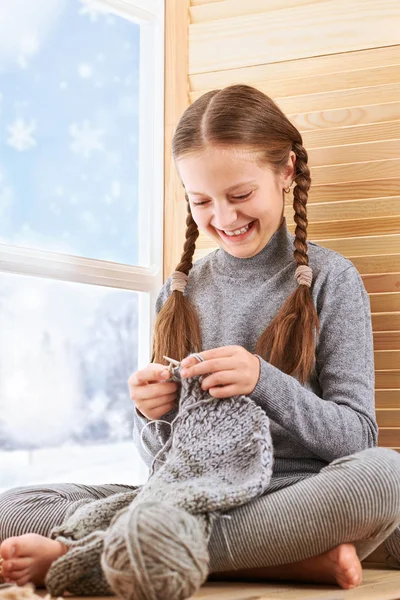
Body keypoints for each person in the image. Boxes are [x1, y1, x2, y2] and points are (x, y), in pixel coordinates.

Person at [0, 84, 400, 592]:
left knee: (385, 476)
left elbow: (356, 437)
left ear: (286, 172)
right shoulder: (179, 292)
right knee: (11, 508)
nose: (225, 218)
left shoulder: (331, 279)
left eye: (240, 195)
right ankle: (277, 561)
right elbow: (163, 463)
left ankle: (98, 554)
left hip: (293, 497)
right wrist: (154, 413)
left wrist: (262, 380)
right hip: (182, 497)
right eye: (202, 201)